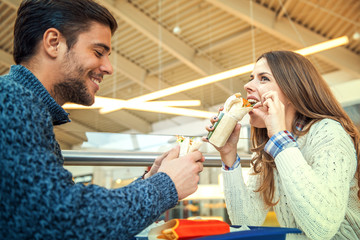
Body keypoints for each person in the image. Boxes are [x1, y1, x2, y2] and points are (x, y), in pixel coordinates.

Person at [0, 0, 204, 239]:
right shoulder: (12, 101)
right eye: (98, 52)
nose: (108, 68)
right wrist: (165, 185)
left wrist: (150, 180)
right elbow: (65, 218)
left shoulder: (26, 105)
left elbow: (57, 204)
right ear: (53, 43)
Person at [204, 51, 360, 239]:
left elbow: (322, 229)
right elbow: (246, 221)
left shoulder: (329, 132)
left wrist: (280, 138)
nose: (247, 85)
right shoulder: (269, 146)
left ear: (293, 91)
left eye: (263, 79)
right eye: (251, 78)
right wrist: (228, 155)